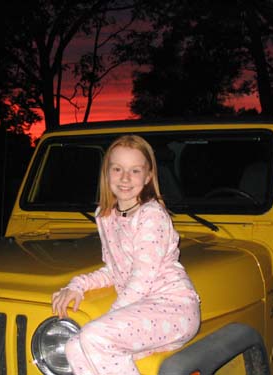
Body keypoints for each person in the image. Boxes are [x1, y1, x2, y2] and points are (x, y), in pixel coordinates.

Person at [52, 134, 201, 375]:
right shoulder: (106, 215)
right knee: (74, 347)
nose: (124, 178)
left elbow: (141, 279)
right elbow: (115, 269)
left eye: (134, 171)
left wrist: (109, 318)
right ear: (106, 173)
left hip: (173, 308)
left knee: (93, 337)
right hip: (142, 310)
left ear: (148, 176)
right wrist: (77, 285)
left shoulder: (151, 215)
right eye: (117, 168)